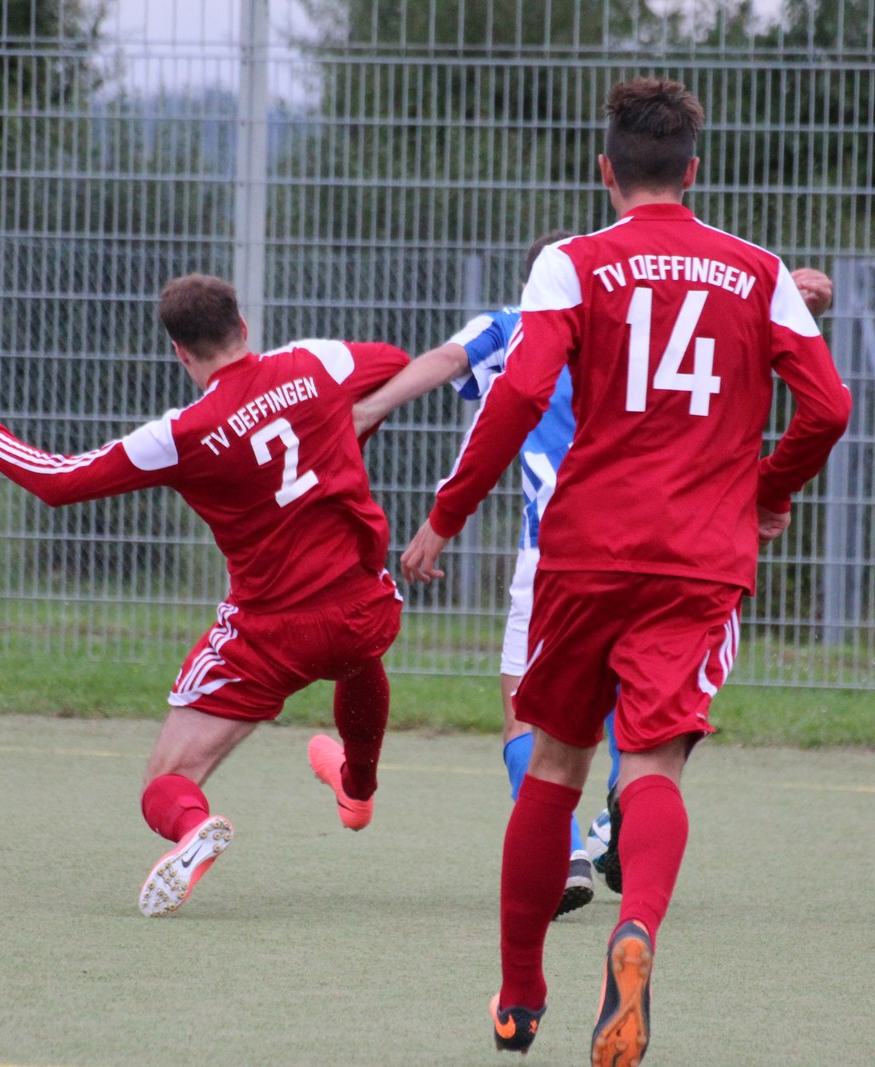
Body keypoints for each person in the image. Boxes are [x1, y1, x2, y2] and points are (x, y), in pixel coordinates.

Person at [397, 78, 852, 1061]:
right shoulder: (759, 269)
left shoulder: (570, 263)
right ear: (694, 169)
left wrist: (445, 512)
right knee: (647, 766)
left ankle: (519, 996)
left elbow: (519, 394)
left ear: (605, 172)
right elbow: (827, 407)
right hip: (698, 561)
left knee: (553, 766)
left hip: (582, 551)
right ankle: (633, 927)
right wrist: (768, 490)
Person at [352, 241, 836, 918]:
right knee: (644, 706)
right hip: (667, 538)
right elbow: (708, 330)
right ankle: (619, 818)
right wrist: (789, 302)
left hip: (559, 545)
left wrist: (372, 408)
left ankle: (570, 854)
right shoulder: (633, 314)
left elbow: (446, 361)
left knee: (528, 711)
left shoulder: (518, 324)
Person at [0, 273, 410, 918]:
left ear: (179, 352)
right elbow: (397, 366)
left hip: (272, 634)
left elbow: (59, 481)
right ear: (243, 328)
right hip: (364, 605)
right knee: (359, 658)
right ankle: (358, 793)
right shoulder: (317, 363)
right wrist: (348, 430)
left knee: (164, 783)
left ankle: (194, 830)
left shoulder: (181, 435)